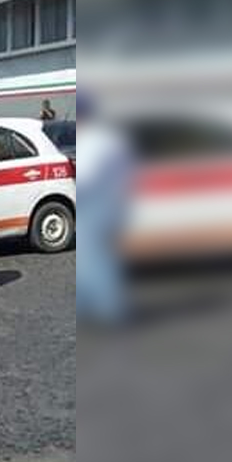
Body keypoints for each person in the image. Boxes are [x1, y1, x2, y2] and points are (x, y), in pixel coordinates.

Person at [74, 93, 133, 326]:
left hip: (96, 199)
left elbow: (88, 176)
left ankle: (110, 308)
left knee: (97, 256)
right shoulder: (111, 137)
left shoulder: (90, 140)